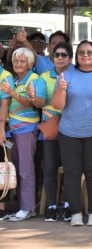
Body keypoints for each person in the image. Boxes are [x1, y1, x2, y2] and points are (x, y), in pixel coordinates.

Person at [51, 40, 92, 226]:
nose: (85, 55)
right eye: (81, 52)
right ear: (76, 56)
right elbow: (58, 105)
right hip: (69, 133)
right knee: (72, 173)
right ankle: (76, 213)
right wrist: (61, 90)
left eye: (89, 52)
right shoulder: (65, 76)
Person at [27, 42, 73, 222]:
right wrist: (32, 97)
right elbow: (39, 103)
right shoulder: (44, 77)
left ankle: (69, 205)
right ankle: (52, 206)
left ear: (70, 57)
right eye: (56, 55)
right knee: (50, 168)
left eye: (63, 55)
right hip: (51, 127)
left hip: (71, 127)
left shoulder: (76, 75)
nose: (59, 58)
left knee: (71, 168)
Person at [2, 48, 39, 221]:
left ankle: (28, 207)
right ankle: (23, 206)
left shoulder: (34, 79)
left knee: (25, 169)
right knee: (19, 168)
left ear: (30, 64)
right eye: (16, 61)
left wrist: (12, 93)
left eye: (22, 61)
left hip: (27, 129)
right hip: (15, 130)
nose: (18, 64)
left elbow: (31, 104)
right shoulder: (17, 80)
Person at [0, 64, 14, 221]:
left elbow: (5, 103)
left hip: (0, 125)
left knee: (1, 167)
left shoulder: (5, 76)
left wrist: (1, 128)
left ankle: (1, 207)